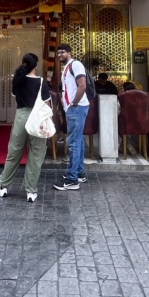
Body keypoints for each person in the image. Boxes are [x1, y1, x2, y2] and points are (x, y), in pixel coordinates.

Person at [0, 53, 52, 203]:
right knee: (36, 154)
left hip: (21, 116)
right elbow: (46, 104)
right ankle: (31, 191)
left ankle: (3, 186)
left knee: (14, 152)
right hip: (37, 118)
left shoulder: (17, 80)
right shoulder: (40, 81)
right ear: (36, 65)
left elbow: (15, 97)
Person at [54, 44, 89, 191]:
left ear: (69, 52)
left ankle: (72, 180)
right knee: (78, 141)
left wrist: (73, 103)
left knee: (73, 143)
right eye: (58, 53)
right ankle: (79, 173)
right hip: (75, 108)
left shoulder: (76, 64)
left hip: (77, 108)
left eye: (62, 52)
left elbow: (82, 86)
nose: (59, 55)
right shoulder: (67, 67)